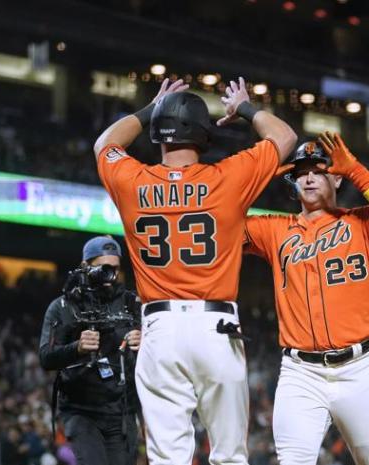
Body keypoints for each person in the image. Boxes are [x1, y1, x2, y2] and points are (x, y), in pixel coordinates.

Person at [92, 77, 297, 465]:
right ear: (203, 135)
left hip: (160, 329)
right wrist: (245, 109)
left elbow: (105, 144)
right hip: (215, 328)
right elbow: (284, 136)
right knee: (230, 456)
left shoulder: (132, 180)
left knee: (168, 457)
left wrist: (151, 108)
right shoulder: (228, 178)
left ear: (157, 133)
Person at [243, 132, 369, 465]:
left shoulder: (363, 223)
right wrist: (261, 174)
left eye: (318, 169)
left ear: (336, 176)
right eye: (301, 171)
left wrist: (355, 170)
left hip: (360, 368)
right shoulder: (274, 229)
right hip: (300, 372)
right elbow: (223, 226)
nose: (308, 177)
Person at [39, 236, 142, 465]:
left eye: (115, 269)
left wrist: (146, 342)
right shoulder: (64, 306)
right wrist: (77, 348)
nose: (111, 276)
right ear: (85, 266)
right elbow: (46, 357)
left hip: (121, 410)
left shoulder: (131, 303)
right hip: (81, 409)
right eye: (104, 268)